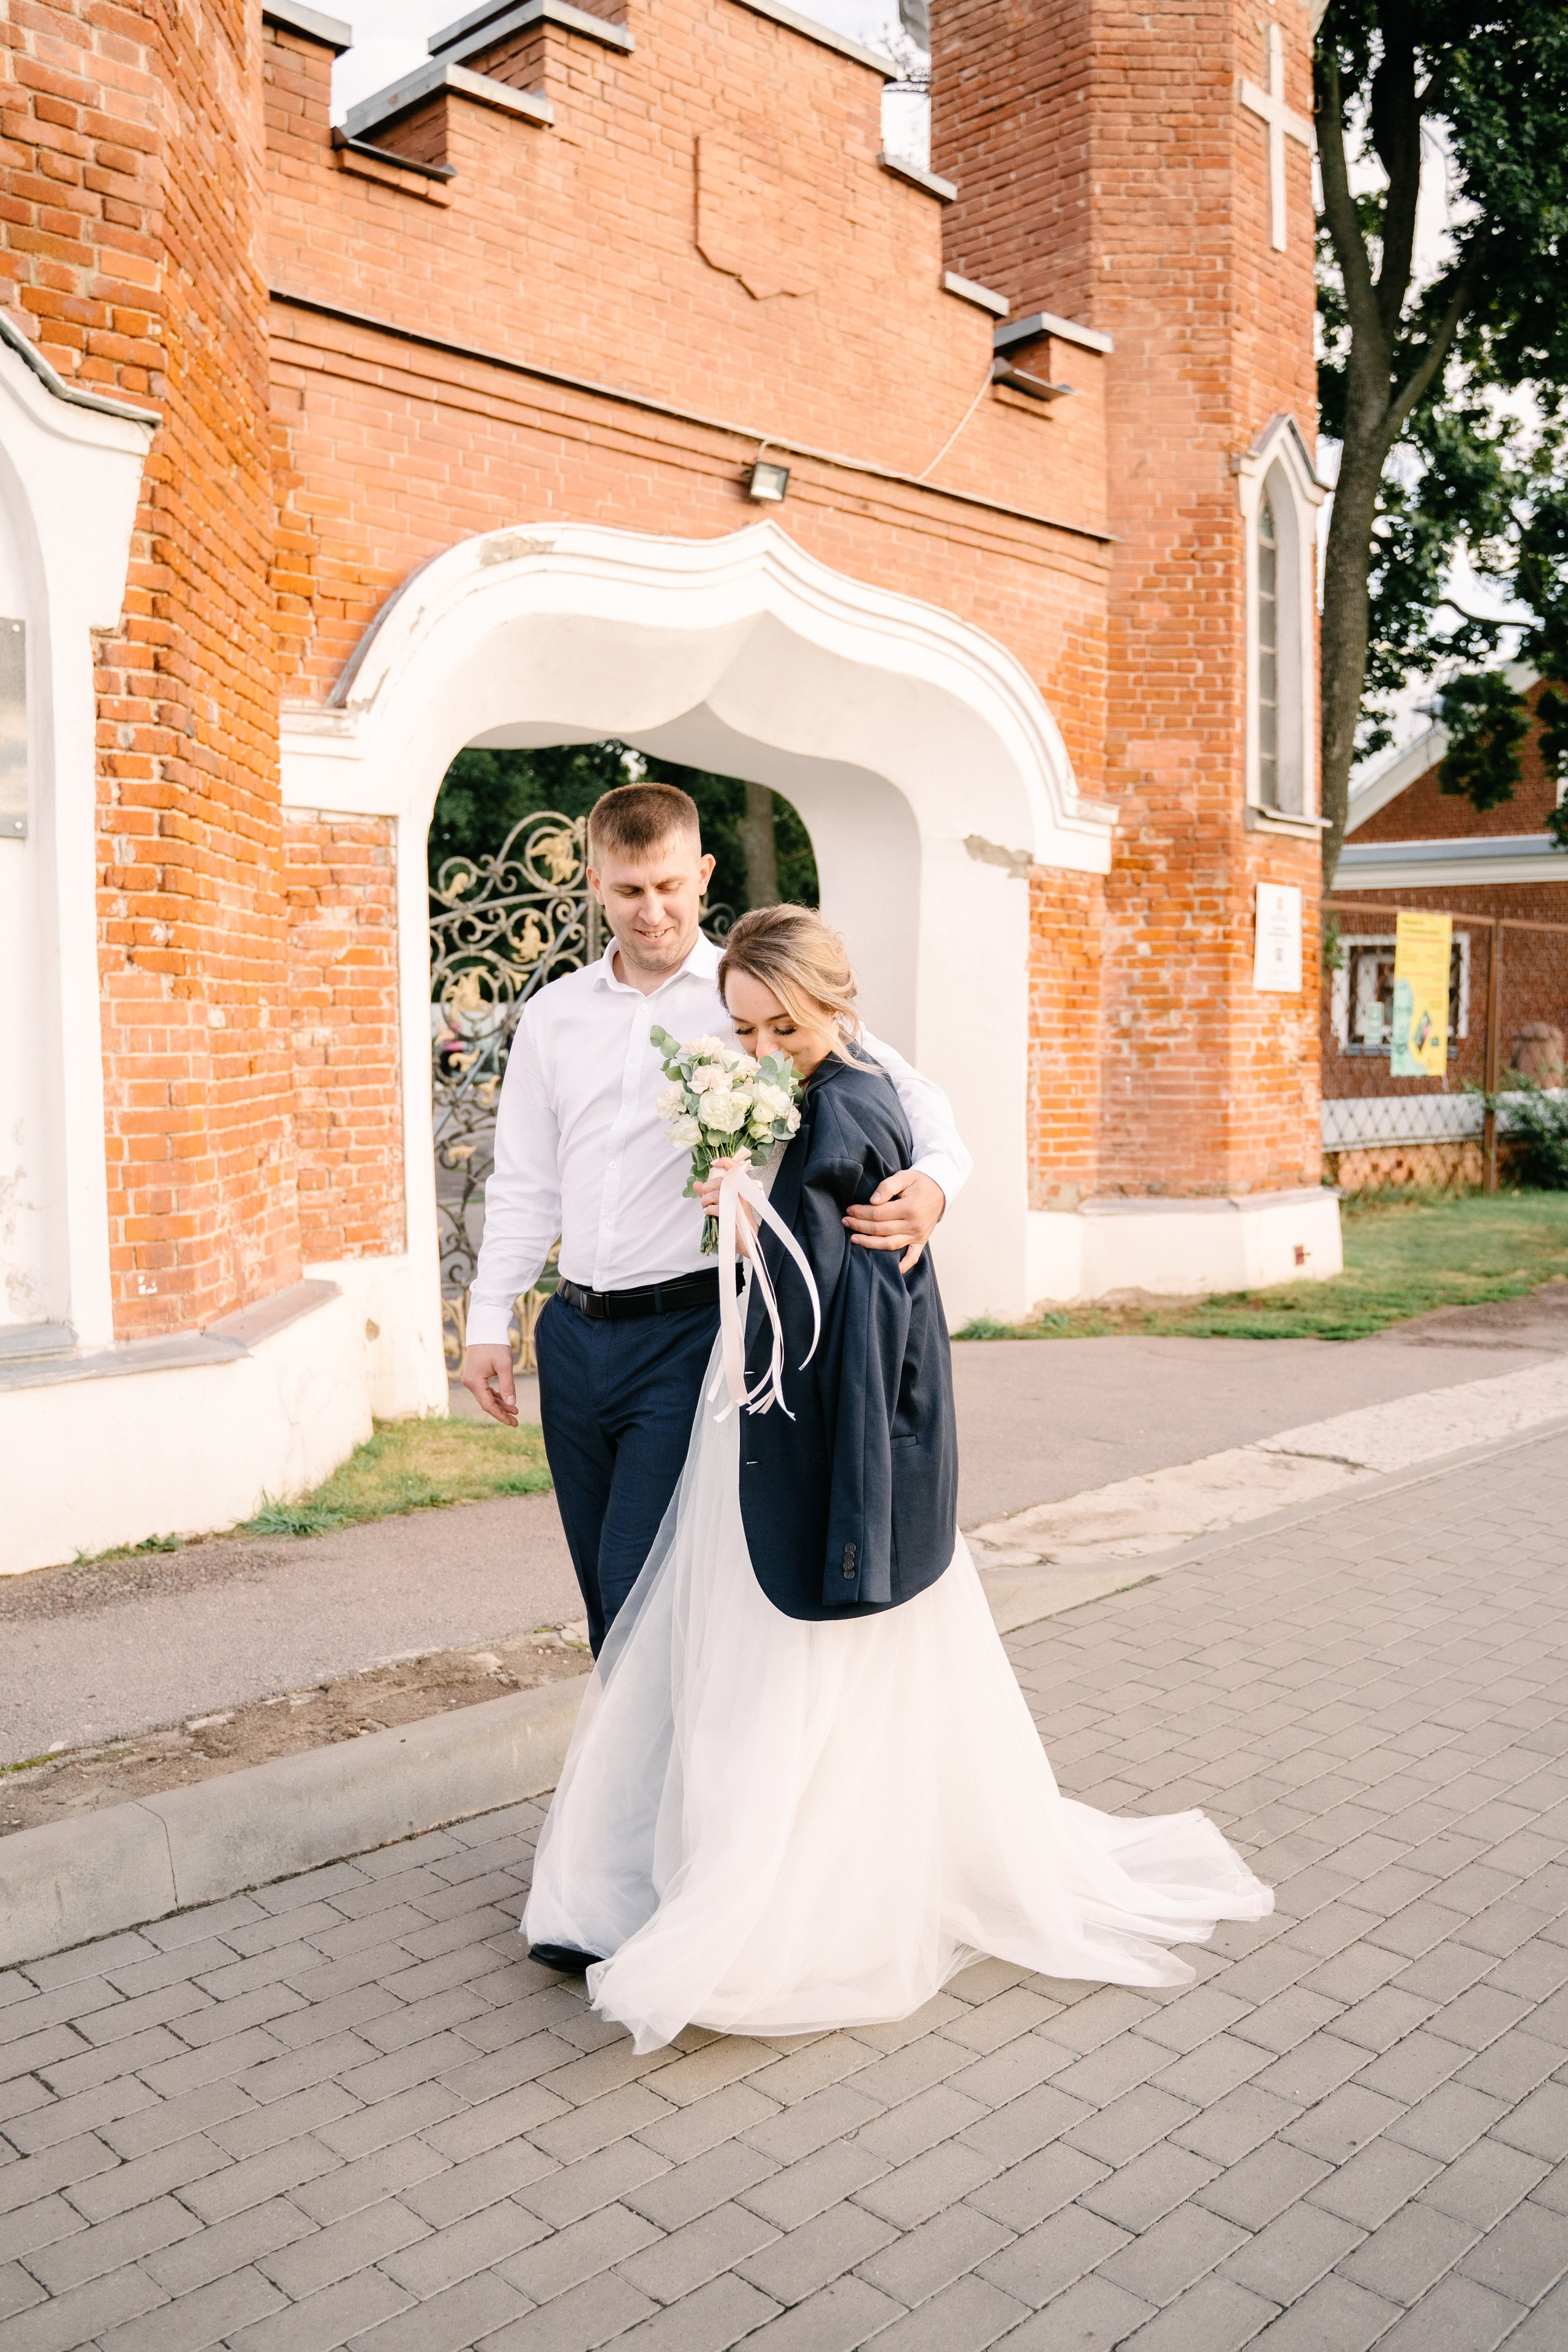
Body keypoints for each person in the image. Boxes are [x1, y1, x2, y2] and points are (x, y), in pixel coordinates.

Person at [522, 905, 1273, 2052]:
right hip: (760, 1396)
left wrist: (811, 1211)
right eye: (744, 1032)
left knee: (796, 1664)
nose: (761, 1050)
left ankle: (785, 1895)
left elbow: (851, 1280)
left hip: (806, 1416)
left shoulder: (850, 1105)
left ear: (835, 1005)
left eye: (782, 1029)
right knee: (756, 1658)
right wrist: (742, 1199)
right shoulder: (789, 1082)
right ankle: (729, 1856)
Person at [461, 783, 971, 1969]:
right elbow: (524, 1181)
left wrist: (939, 1185)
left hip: (689, 1340)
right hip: (575, 1340)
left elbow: (907, 1095)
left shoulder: (750, 996)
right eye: (626, 890)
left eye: (668, 887)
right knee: (614, 1614)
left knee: (651, 1601)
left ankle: (638, 1894)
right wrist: (491, 1322)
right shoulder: (552, 1018)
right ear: (595, 883)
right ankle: (653, 1845)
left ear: (699, 877)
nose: (650, 911)